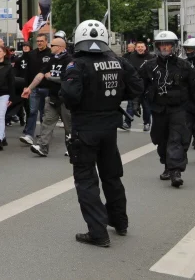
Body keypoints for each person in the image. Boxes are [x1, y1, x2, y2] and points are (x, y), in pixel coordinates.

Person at [61, 19, 142, 248]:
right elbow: (136, 88)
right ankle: (120, 222)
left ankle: (98, 233)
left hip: (85, 128)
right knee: (111, 176)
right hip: (109, 129)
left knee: (86, 180)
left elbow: (70, 96)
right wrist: (114, 96)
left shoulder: (75, 65)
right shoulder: (119, 62)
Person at [138, 31, 195, 188]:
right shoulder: (149, 66)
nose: (164, 47)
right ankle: (167, 165)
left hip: (179, 109)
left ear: (174, 47)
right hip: (158, 109)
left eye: (167, 44)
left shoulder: (185, 66)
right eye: (161, 45)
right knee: (161, 139)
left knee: (177, 139)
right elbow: (139, 85)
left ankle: (176, 171)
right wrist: (135, 103)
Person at [23, 37, 72, 157]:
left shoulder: (70, 60)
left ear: (60, 47)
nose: (51, 47)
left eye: (53, 45)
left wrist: (51, 77)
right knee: (46, 122)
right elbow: (40, 75)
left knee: (69, 125)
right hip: (52, 97)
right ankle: (42, 147)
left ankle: (72, 148)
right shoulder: (51, 60)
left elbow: (67, 79)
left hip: (66, 99)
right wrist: (29, 88)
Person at [20, 34, 52, 145]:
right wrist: (26, 86)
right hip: (34, 88)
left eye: (41, 41)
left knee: (45, 113)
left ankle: (44, 135)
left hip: (47, 88)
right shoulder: (32, 54)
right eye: (37, 41)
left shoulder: (51, 54)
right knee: (32, 111)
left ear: (46, 41)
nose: (39, 43)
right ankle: (29, 135)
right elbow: (27, 71)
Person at [124, 41, 155, 131]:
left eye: (142, 46)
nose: (140, 48)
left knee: (146, 106)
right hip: (133, 86)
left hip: (146, 86)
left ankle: (147, 123)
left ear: (145, 48)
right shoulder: (131, 57)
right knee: (130, 105)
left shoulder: (151, 57)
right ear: (136, 48)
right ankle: (127, 122)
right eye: (138, 47)